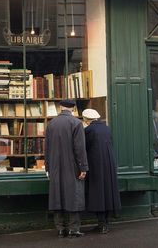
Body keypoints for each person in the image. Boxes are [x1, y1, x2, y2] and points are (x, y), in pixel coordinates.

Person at [45, 99, 88, 238]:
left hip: (55, 166)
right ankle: (73, 229)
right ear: (73, 109)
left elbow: (47, 148)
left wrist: (47, 167)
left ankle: (60, 229)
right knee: (74, 196)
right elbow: (80, 148)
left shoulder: (51, 123)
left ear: (60, 107)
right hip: (72, 166)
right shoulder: (76, 123)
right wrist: (83, 167)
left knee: (57, 196)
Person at [82, 108, 121, 234]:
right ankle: (106, 223)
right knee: (108, 192)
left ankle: (102, 223)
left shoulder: (88, 130)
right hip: (108, 165)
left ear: (86, 120)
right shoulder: (106, 128)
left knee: (97, 194)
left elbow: (84, 148)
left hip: (95, 166)